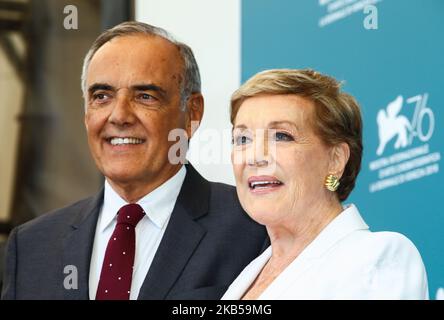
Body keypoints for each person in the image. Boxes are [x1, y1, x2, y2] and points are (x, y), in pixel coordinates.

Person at [1, 21, 267, 300]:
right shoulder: (32, 246)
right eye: (101, 96)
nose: (119, 116)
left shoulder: (254, 227)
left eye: (144, 96)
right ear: (86, 113)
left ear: (192, 113)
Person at [222, 69, 429, 299]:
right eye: (242, 139)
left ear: (336, 160)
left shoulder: (379, 257)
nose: (254, 157)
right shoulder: (247, 275)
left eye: (281, 136)